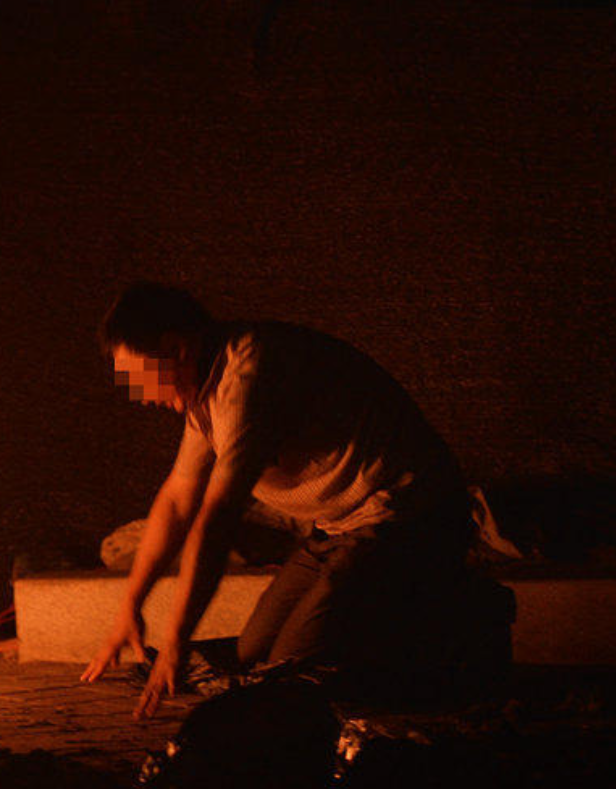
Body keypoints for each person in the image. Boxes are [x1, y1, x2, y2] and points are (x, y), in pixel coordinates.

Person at [81, 283, 494, 717]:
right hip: (337, 528)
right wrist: (130, 604)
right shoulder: (205, 385)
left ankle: (455, 619)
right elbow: (178, 498)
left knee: (295, 668)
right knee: (255, 653)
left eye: (139, 377)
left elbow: (216, 517)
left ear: (177, 348)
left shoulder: (249, 376)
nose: (140, 396)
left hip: (406, 516)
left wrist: (175, 643)